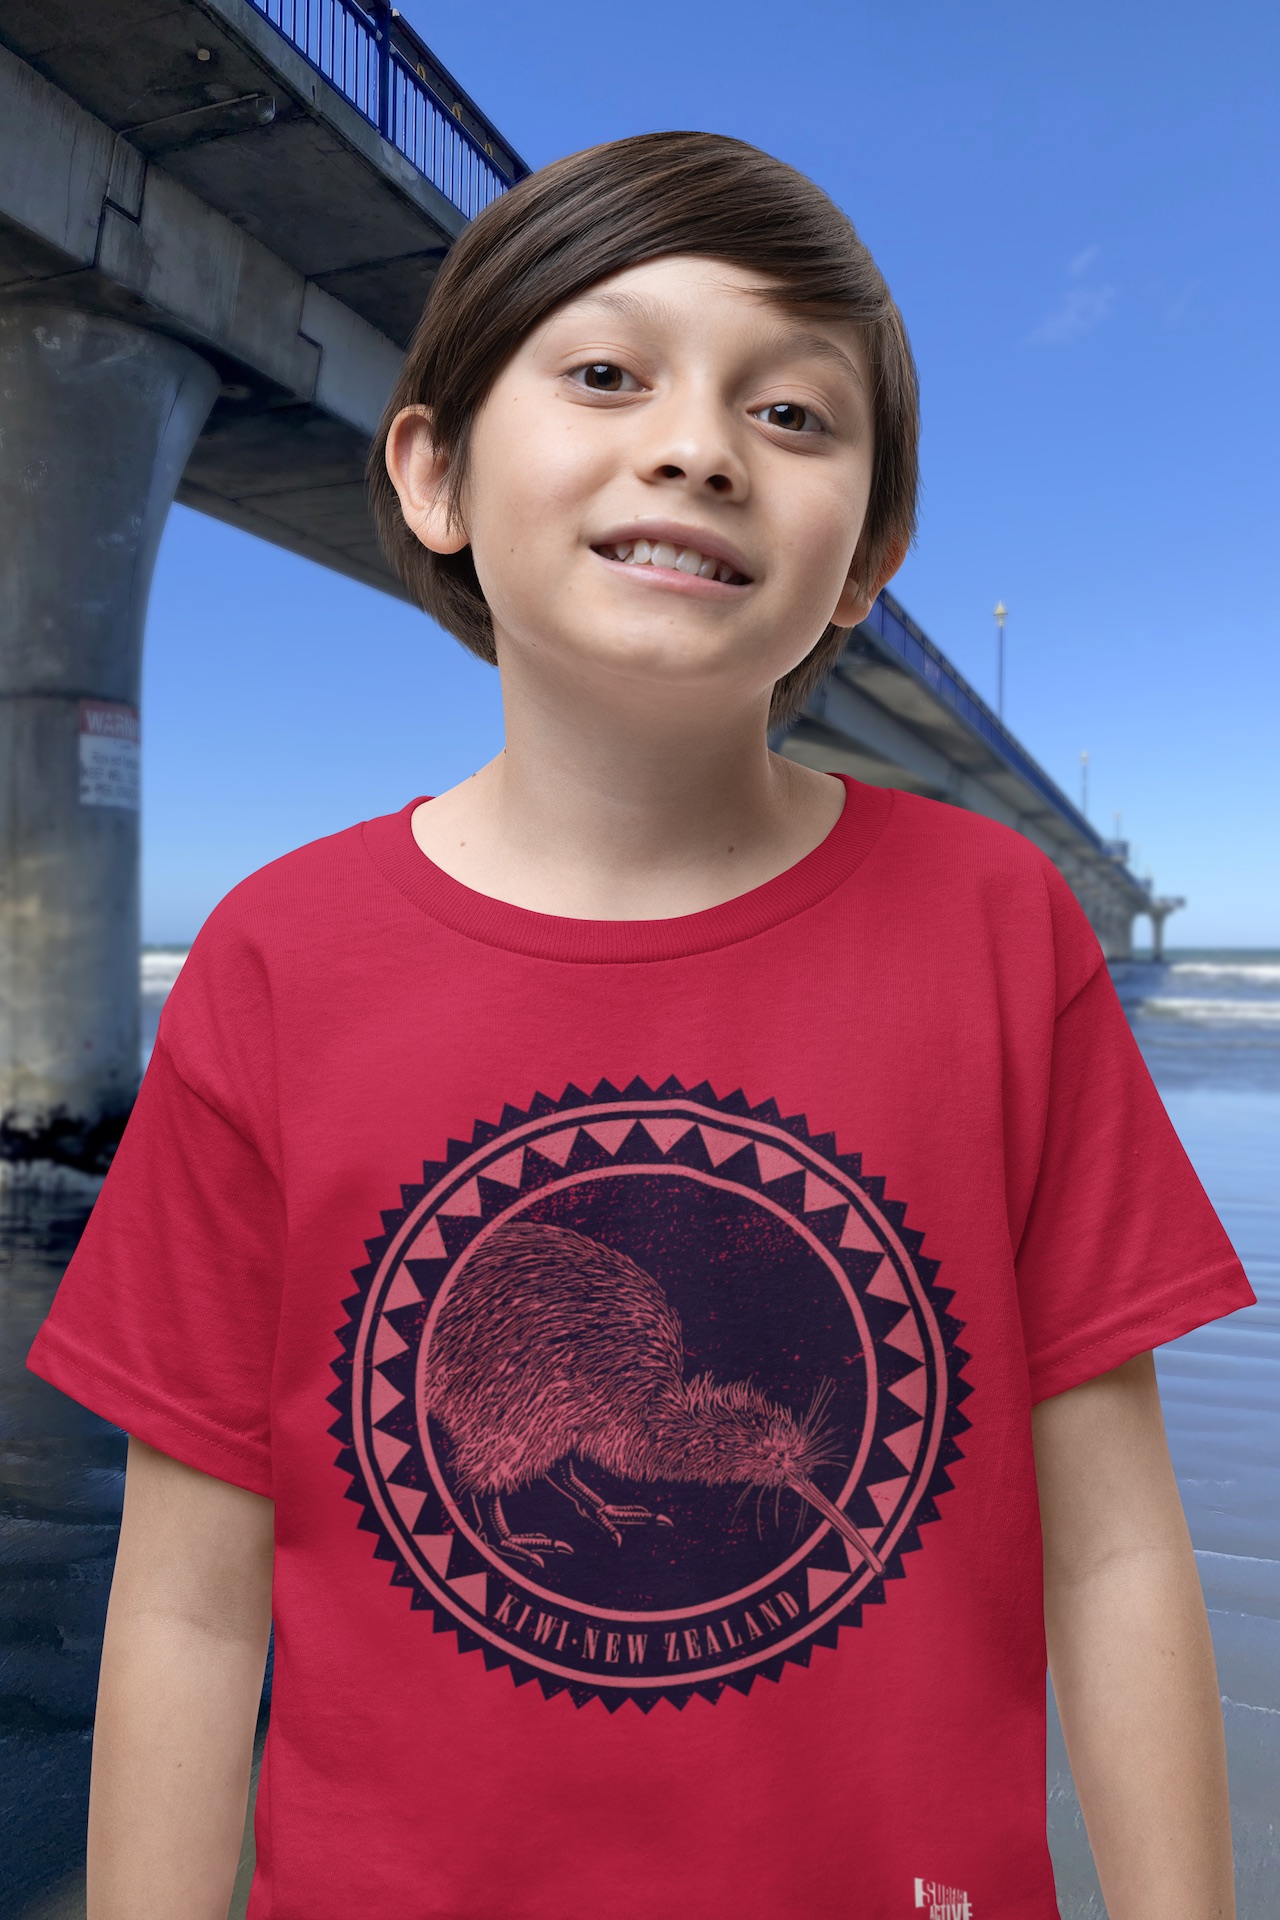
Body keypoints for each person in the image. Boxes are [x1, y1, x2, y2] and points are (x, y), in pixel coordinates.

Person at [29, 131, 1251, 1920]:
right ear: (434, 471)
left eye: (794, 416)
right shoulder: (282, 958)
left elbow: (1121, 1546)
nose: (696, 445)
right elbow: (195, 1599)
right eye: (606, 374)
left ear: (866, 562)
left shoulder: (999, 927)